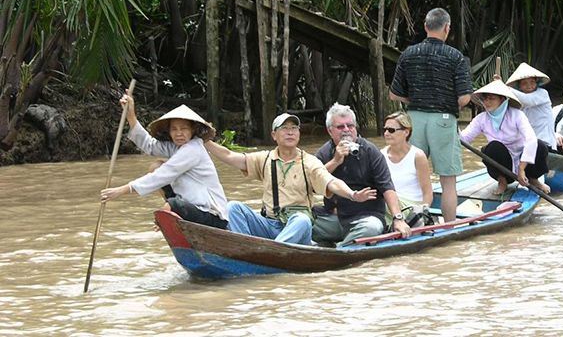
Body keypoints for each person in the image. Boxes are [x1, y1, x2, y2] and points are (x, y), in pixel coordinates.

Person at [203, 112, 375, 245]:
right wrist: (205, 141)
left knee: (302, 220)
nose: (290, 132)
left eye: (294, 128)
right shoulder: (265, 158)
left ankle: (271, 252)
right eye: (284, 128)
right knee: (233, 207)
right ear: (274, 135)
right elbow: (229, 156)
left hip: (295, 227)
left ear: (299, 134)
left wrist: (352, 195)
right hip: (270, 224)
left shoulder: (309, 161)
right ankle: (244, 248)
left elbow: (331, 182)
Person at [389, 7, 472, 222]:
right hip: (443, 120)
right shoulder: (455, 56)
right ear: (447, 28)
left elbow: (394, 94)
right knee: (448, 182)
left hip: (413, 120)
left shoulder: (409, 54)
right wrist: (446, 103)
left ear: (425, 27)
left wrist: (414, 101)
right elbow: (465, 98)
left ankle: (406, 221)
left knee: (412, 174)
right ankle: (449, 227)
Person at [99, 92, 228, 229]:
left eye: (184, 128)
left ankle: (171, 213)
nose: (179, 133)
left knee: (171, 204)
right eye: (174, 129)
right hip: (192, 206)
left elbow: (162, 175)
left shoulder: (193, 149)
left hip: (211, 214)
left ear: (192, 130)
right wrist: (131, 115)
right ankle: (171, 214)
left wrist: (122, 190)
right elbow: (149, 145)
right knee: (156, 166)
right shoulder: (176, 147)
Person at [314, 103, 411, 246]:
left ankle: (339, 249)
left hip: (365, 218)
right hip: (334, 218)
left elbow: (387, 187)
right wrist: (335, 161)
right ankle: (338, 244)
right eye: (340, 127)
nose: (346, 130)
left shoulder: (370, 151)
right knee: (302, 221)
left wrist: (398, 218)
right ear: (330, 131)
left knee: (372, 228)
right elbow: (311, 184)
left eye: (350, 126)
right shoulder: (324, 152)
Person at [460, 80, 551, 195]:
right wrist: (452, 125)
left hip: (524, 161)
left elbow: (531, 139)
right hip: (503, 163)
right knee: (492, 147)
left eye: (491, 98)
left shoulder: (517, 115)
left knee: (540, 145)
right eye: (485, 99)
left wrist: (521, 168)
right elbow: (464, 139)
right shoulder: (481, 119)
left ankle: (533, 179)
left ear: (502, 99)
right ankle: (502, 181)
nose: (487, 102)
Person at [380, 111, 433, 224]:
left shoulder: (417, 156)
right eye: (385, 129)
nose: (386, 133)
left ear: (406, 132)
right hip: (390, 203)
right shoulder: (381, 155)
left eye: (391, 130)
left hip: (410, 207)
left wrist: (422, 214)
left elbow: (427, 193)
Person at [505, 63, 556, 149]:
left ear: (536, 82)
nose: (529, 86)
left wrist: (505, 87)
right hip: (528, 144)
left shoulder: (542, 93)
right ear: (519, 86)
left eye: (532, 82)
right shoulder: (518, 101)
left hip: (545, 143)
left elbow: (528, 100)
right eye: (524, 83)